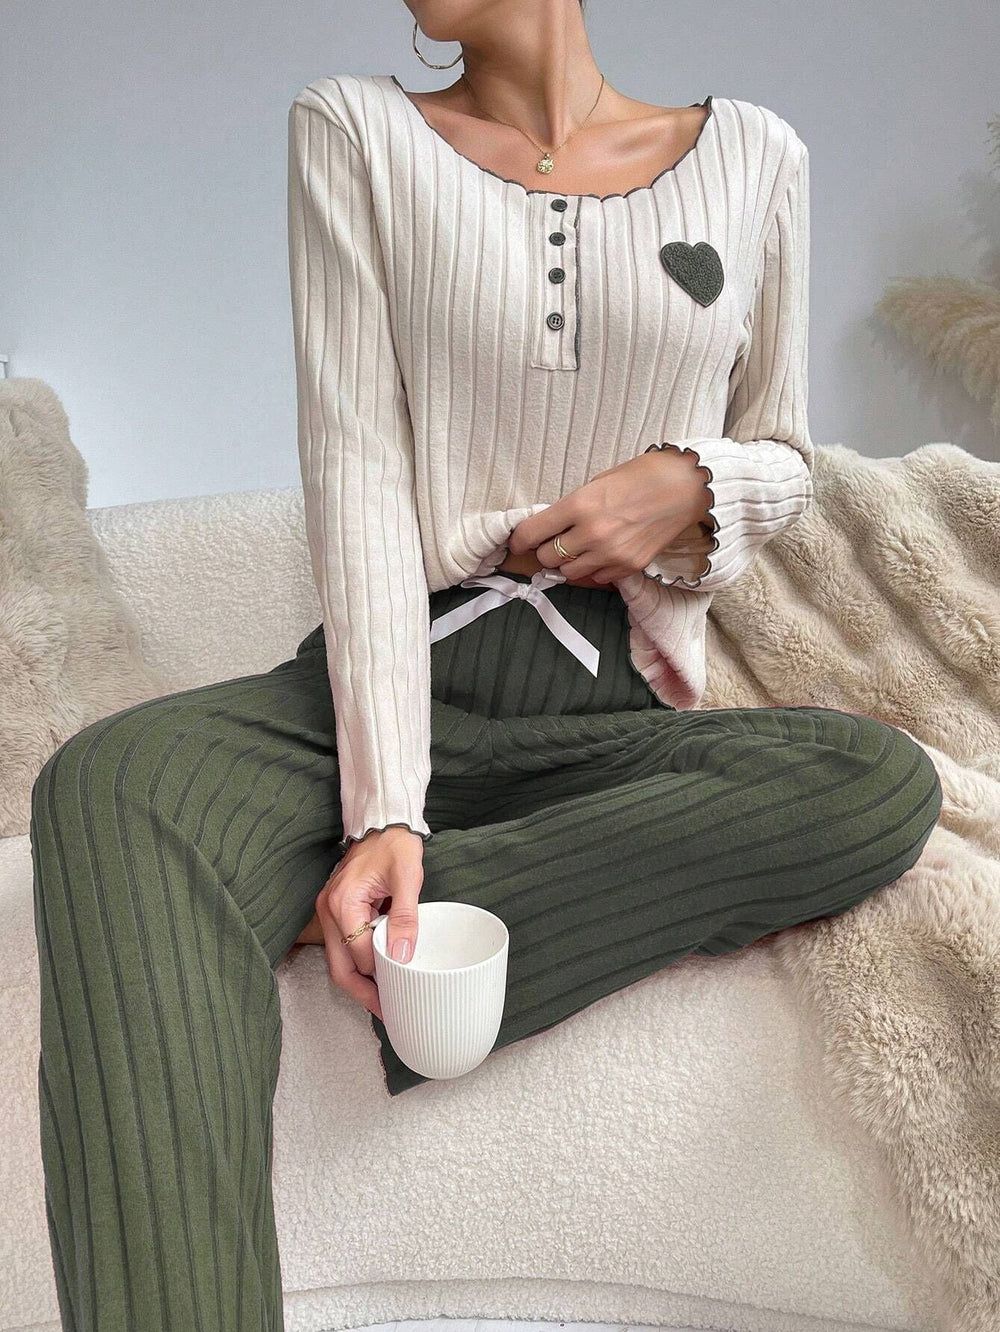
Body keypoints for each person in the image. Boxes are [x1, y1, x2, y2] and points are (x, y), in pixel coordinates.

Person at [29, 1, 944, 1328]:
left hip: (604, 727)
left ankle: (385, 927)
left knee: (876, 783)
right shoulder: (355, 132)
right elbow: (354, 468)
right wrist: (386, 807)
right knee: (116, 784)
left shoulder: (757, 154)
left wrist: (689, 484)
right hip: (376, 700)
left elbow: (787, 458)